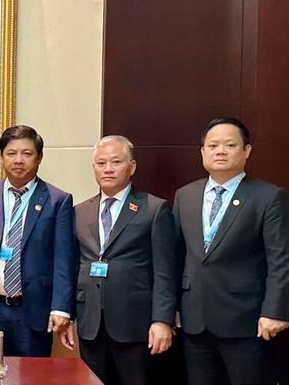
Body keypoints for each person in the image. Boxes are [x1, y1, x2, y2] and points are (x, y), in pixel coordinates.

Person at [174, 117, 289, 385]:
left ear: (246, 151)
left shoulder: (268, 197)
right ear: (203, 152)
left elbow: (280, 260)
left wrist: (275, 311)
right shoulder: (185, 195)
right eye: (213, 145)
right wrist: (171, 309)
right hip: (194, 321)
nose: (220, 151)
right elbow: (175, 257)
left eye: (230, 145)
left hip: (246, 322)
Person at [70, 135, 176, 385]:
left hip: (135, 325)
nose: (108, 169)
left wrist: (162, 320)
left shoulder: (154, 208)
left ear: (132, 166)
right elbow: (74, 265)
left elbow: (165, 271)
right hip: (91, 323)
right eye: (101, 163)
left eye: (116, 162)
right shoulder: (80, 211)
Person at [0, 125, 77, 357]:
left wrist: (61, 307)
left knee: (32, 377)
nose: (18, 160)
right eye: (11, 153)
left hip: (33, 308)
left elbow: (64, 259)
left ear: (39, 157)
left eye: (27, 153)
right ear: (2, 157)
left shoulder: (58, 200)